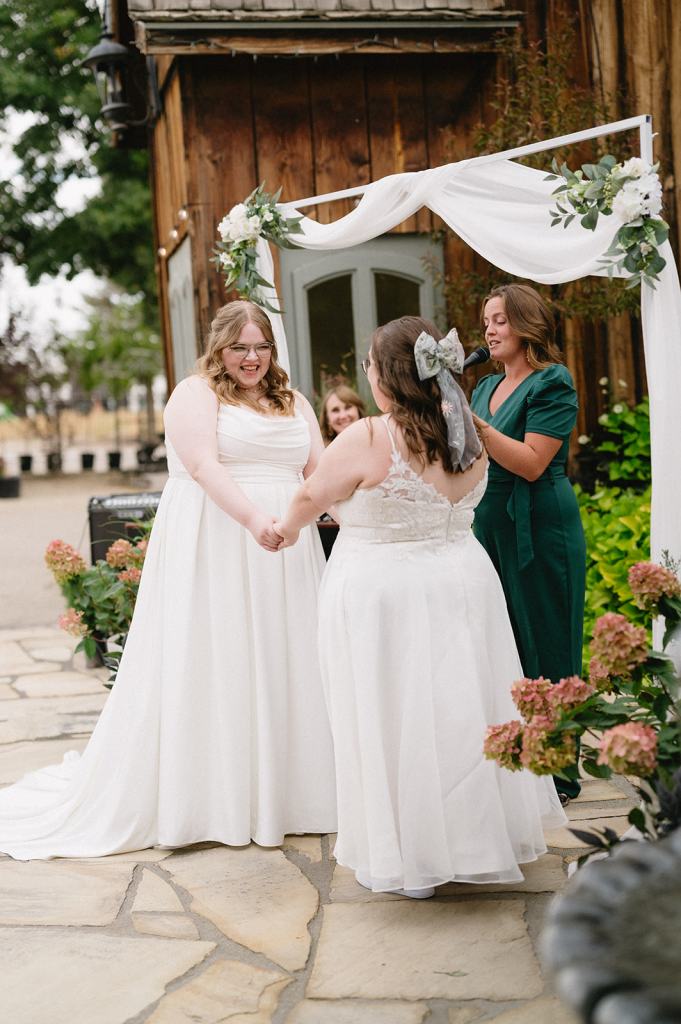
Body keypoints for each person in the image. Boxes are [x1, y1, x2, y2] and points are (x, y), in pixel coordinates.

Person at [0, 300, 337, 860]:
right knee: (223, 656)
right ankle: (218, 796)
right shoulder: (195, 394)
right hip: (224, 541)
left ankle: (295, 790)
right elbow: (204, 467)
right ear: (219, 348)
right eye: (240, 347)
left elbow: (319, 471)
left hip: (289, 549)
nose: (252, 358)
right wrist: (255, 519)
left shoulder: (294, 400)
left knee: (289, 653)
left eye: (261, 347)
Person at [274, 315, 566, 898]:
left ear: (387, 376)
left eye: (370, 365)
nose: (366, 373)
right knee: (462, 709)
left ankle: (413, 860)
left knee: (395, 714)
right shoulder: (471, 431)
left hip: (386, 592)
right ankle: (477, 839)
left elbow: (312, 494)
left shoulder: (370, 436)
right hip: (463, 580)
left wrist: (282, 530)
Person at [470, 284, 586, 804]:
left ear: (526, 324)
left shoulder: (552, 383)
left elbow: (532, 462)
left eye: (499, 320)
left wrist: (471, 425)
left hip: (540, 524)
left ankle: (559, 772)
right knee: (506, 641)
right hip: (487, 527)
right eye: (486, 321)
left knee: (548, 640)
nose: (489, 330)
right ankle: (518, 762)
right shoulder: (481, 389)